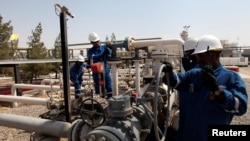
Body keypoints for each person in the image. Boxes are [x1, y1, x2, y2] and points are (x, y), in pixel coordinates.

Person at [162, 34, 248, 141]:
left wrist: (217, 92)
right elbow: (177, 82)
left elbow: (240, 107)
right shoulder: (193, 74)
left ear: (217, 54)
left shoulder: (231, 77)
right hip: (186, 136)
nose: (199, 59)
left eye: (203, 55)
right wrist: (169, 73)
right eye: (198, 55)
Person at [87, 32, 113, 98]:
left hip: (105, 68)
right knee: (98, 86)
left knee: (108, 84)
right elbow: (93, 57)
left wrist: (109, 48)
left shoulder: (104, 47)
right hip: (96, 70)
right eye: (95, 42)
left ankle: (110, 99)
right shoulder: (90, 51)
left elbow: (110, 54)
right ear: (91, 42)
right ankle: (100, 101)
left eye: (97, 41)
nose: (97, 43)